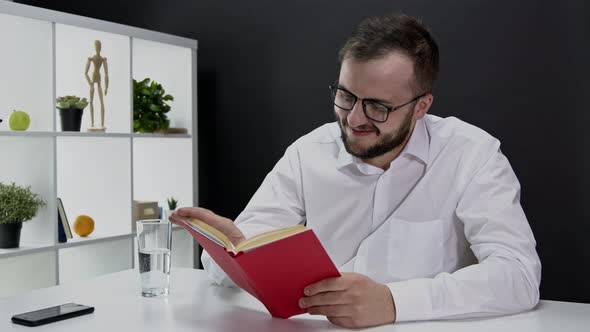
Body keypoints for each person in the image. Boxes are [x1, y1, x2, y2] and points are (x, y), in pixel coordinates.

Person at [169, 13, 541, 328]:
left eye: (378, 106)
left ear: (421, 106)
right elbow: (224, 272)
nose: (354, 119)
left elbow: (520, 276)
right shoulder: (308, 153)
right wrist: (234, 251)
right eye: (346, 96)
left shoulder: (472, 155)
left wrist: (394, 302)